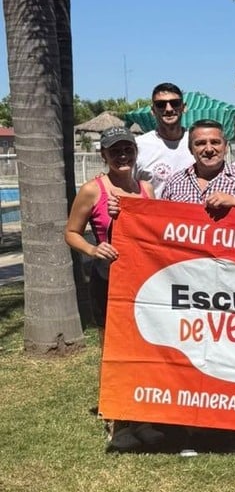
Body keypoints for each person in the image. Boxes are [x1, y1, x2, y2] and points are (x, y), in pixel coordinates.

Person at [64, 126, 163, 452]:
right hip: (109, 281)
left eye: (127, 150)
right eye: (115, 151)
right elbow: (72, 232)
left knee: (146, 351)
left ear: (135, 153)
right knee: (114, 353)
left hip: (146, 284)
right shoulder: (94, 190)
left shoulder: (146, 188)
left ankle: (142, 420)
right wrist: (93, 250)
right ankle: (116, 420)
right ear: (104, 155)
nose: (122, 156)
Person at [162, 119, 235, 212]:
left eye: (215, 142)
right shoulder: (174, 183)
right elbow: (161, 221)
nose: (209, 149)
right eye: (201, 143)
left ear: (226, 147)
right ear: (190, 149)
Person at [134, 82, 194, 198]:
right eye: (161, 104)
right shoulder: (139, 146)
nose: (169, 109)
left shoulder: (197, 142)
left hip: (192, 215)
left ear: (184, 107)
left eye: (175, 103)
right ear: (152, 110)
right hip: (154, 215)